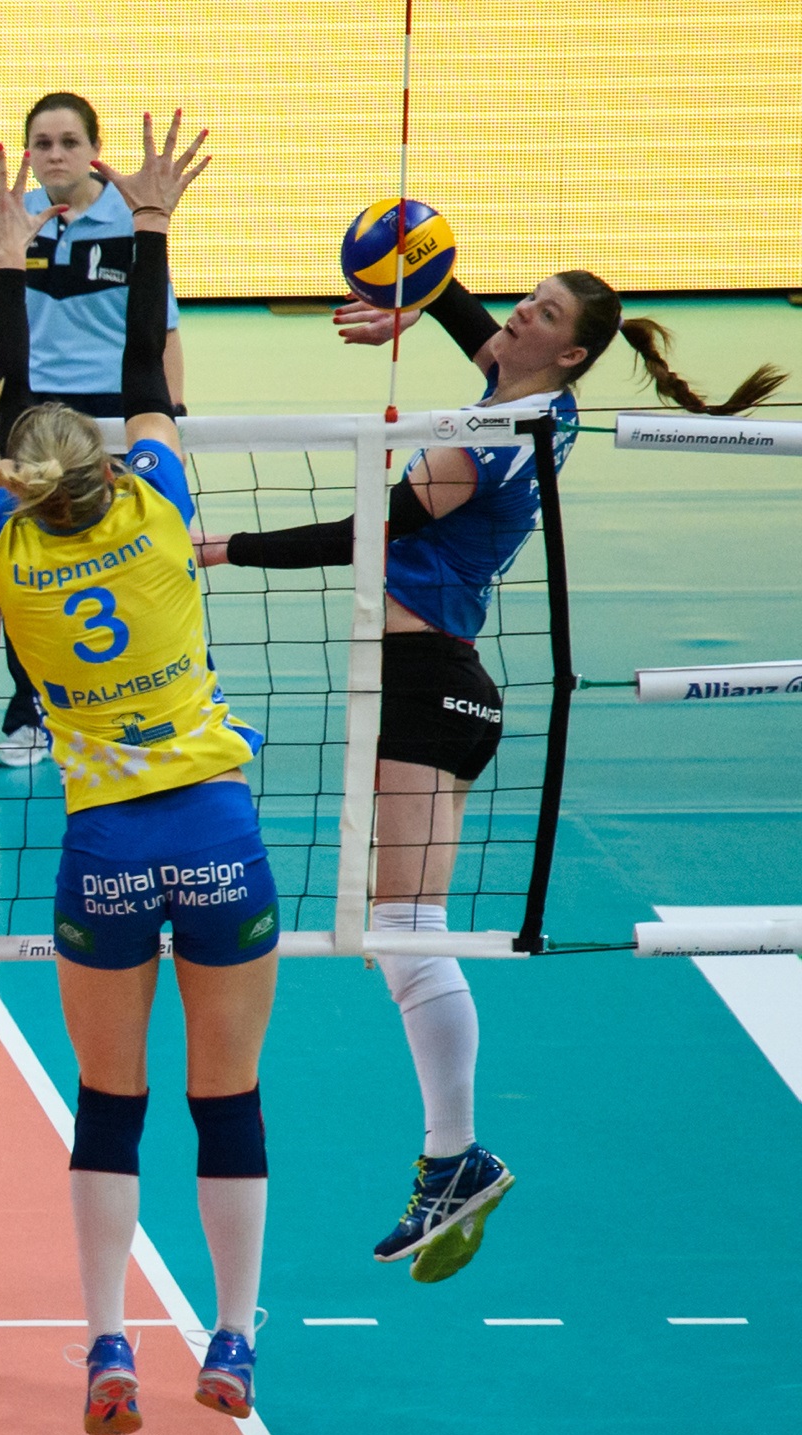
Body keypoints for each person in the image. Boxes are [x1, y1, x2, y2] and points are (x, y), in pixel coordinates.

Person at [205, 272, 782, 1280]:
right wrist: (424, 280)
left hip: (429, 683)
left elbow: (373, 529)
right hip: (441, 682)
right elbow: (484, 333)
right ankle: (450, 1154)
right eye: (529, 299)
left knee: (406, 932)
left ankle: (455, 1154)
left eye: (545, 315)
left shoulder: (484, 439)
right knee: (399, 934)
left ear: (569, 356)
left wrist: (221, 547)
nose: (519, 314)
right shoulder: (536, 401)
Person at [0, 120, 276, 1430]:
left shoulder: (6, 550)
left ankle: (106, 1345)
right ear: (112, 468)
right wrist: (151, 230)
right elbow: (150, 364)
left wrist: (0, 264)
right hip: (218, 828)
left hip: (103, 845)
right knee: (230, 1095)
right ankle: (234, 1337)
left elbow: (0, 399)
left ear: (20, 486)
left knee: (113, 1098)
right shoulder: (158, 506)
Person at [0, 93, 188, 771]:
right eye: (42, 143)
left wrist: (171, 420)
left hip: (123, 408)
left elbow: (163, 334)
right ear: (29, 153)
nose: (56, 155)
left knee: (141, 561)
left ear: (93, 148)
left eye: (69, 141)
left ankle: (171, 687)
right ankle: (31, 709)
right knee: (26, 573)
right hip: (34, 415)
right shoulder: (15, 229)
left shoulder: (127, 217)